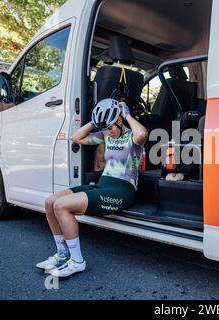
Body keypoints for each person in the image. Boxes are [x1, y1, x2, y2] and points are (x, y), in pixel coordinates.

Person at [36, 98, 148, 277]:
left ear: (119, 121)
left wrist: (126, 114)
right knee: (50, 202)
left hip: (122, 190)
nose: (108, 132)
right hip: (103, 185)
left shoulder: (132, 137)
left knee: (61, 206)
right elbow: (76, 137)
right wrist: (95, 122)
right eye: (104, 129)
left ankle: (77, 261)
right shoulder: (105, 135)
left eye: (110, 127)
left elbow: (142, 134)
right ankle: (63, 253)